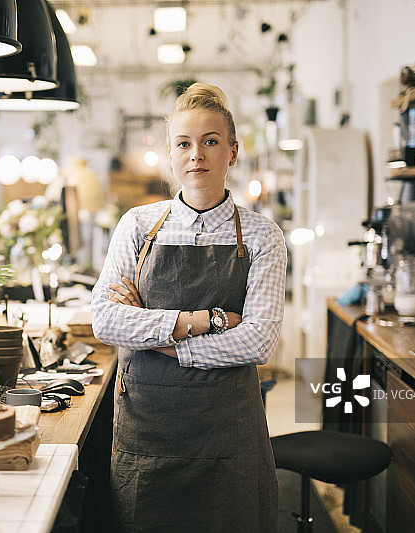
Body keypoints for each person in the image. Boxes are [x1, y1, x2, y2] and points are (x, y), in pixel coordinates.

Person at [91, 82, 286, 532]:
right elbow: (104, 318)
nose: (196, 154)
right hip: (146, 426)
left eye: (210, 141)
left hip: (226, 430)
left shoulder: (261, 236)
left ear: (232, 153)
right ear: (170, 153)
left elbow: (259, 341)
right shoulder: (138, 225)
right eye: (184, 143)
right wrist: (205, 321)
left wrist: (159, 342)